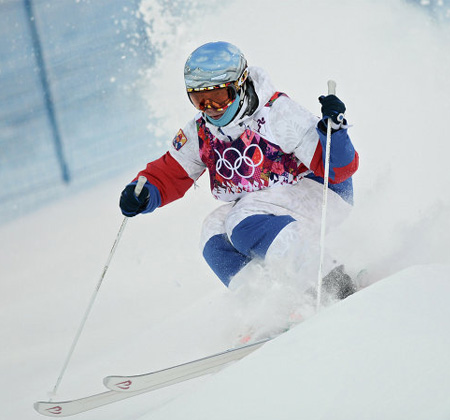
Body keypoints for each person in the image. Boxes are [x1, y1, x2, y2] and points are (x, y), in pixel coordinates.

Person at [119, 41, 359, 300]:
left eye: (220, 97)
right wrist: (144, 191)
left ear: (240, 85)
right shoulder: (202, 132)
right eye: (200, 100)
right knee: (213, 231)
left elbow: (339, 170)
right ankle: (264, 304)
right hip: (269, 203)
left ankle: (330, 280)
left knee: (242, 220)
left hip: (322, 191)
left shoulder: (276, 114)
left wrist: (333, 132)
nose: (211, 108)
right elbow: (171, 172)